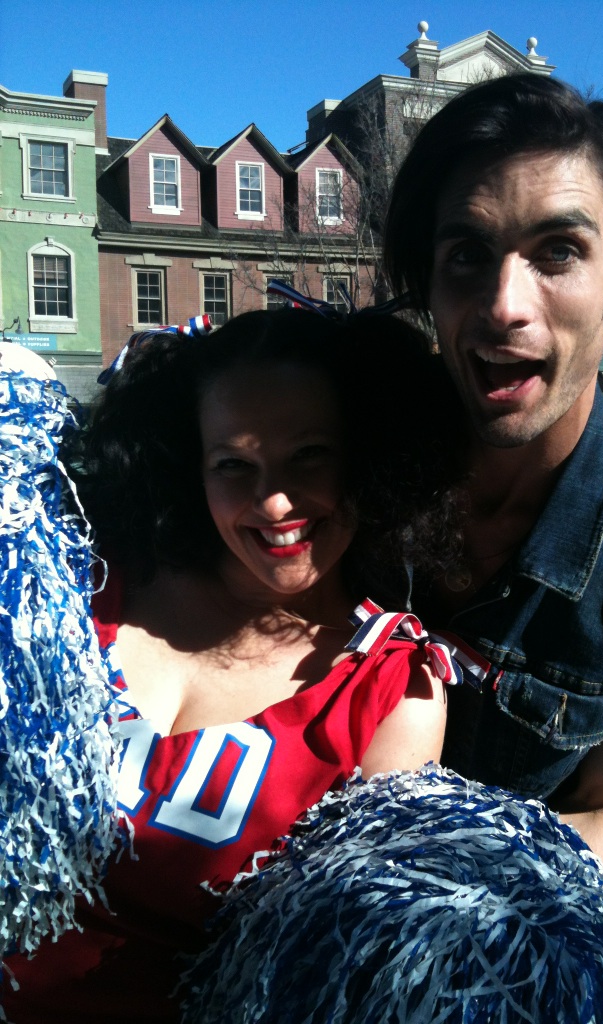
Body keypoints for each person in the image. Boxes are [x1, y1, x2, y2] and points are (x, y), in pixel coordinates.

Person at [2, 309, 463, 1023]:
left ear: (368, 456)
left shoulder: (391, 691)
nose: (273, 501)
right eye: (233, 466)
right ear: (192, 466)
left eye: (309, 455)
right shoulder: (89, 580)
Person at [383, 72, 603, 872]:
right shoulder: (338, 457)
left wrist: (434, 920)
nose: (506, 303)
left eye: (558, 251)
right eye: (467, 253)